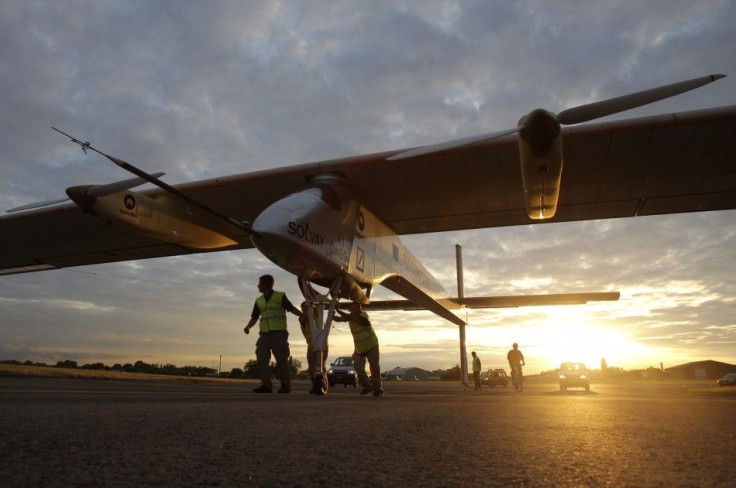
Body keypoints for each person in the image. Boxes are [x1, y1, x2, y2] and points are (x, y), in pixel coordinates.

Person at [244, 274, 303, 394]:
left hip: (279, 334)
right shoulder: (259, 300)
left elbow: (291, 308)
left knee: (281, 361)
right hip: (264, 335)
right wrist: (248, 326)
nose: (257, 286)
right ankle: (267, 385)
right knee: (261, 358)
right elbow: (255, 317)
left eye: (259, 284)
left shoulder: (280, 296)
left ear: (265, 285)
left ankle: (285, 386)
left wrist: (303, 315)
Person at [334, 302, 383, 396]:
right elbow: (339, 319)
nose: (353, 311)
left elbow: (360, 320)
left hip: (371, 345)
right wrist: (333, 312)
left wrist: (340, 311)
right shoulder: (350, 317)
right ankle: (367, 386)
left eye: (355, 309)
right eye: (351, 309)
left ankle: (378, 389)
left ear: (360, 309)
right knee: (358, 368)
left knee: (374, 368)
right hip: (359, 349)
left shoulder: (364, 316)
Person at [299, 301, 329, 393]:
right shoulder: (303, 319)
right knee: (311, 368)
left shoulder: (317, 316)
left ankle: (323, 384)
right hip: (311, 346)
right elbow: (302, 320)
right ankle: (316, 385)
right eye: (303, 309)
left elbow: (318, 310)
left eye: (307, 308)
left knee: (320, 366)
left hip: (321, 345)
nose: (305, 311)